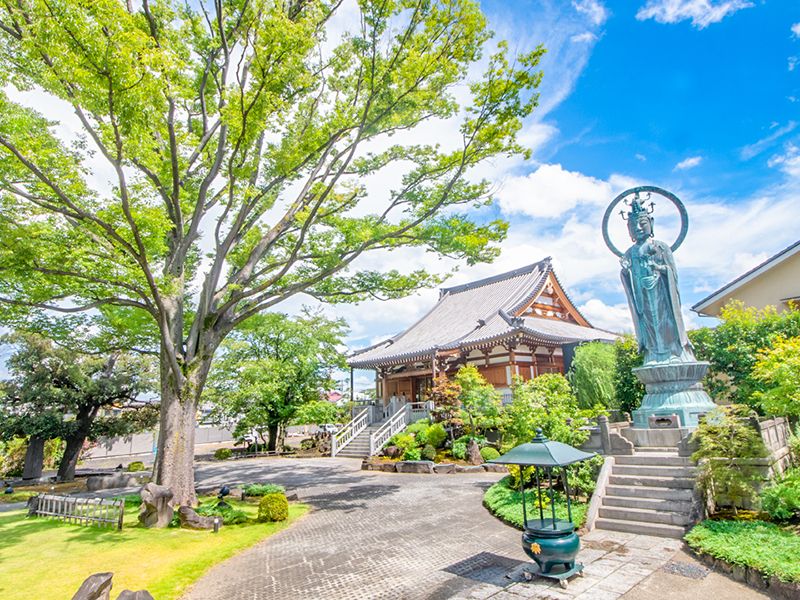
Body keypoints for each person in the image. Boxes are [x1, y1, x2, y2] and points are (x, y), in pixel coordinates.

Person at [620, 198, 695, 365]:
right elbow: (627, 275)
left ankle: (674, 352)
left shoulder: (661, 247)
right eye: (633, 226)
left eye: (642, 223)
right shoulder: (630, 253)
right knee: (647, 322)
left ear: (651, 223)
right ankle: (653, 353)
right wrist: (625, 272)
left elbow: (672, 273)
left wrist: (660, 269)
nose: (638, 228)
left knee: (665, 319)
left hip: (661, 292)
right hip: (642, 295)